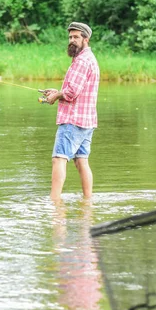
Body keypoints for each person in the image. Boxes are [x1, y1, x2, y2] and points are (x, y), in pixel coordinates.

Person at [44, 22, 100, 201]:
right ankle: (88, 201)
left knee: (58, 159)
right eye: (70, 37)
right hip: (86, 121)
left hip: (73, 120)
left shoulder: (82, 61)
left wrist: (56, 96)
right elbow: (73, 90)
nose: (72, 40)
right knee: (81, 161)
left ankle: (54, 201)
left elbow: (71, 92)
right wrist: (56, 92)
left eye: (76, 37)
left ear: (86, 39)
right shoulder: (88, 59)